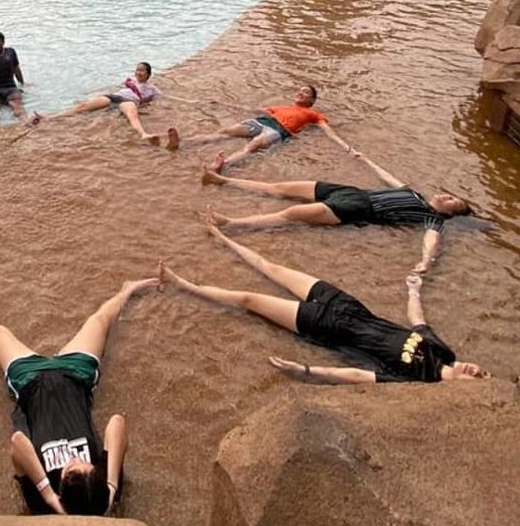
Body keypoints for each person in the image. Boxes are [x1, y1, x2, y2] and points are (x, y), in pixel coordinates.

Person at [159, 226, 489, 384]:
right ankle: (220, 235)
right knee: (272, 268)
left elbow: (355, 376)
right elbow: (419, 321)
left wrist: (304, 371)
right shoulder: (444, 353)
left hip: (326, 326)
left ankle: (183, 284)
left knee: (249, 300)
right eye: (482, 370)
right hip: (348, 304)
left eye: (477, 378)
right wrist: (413, 291)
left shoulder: (417, 381)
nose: (475, 369)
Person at [0, 278, 158, 514]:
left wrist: (48, 495)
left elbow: (17, 442)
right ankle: (128, 289)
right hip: (75, 377)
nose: (77, 461)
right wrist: (112, 487)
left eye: (72, 469)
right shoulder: (97, 489)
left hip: (30, 382)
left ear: (61, 488)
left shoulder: (42, 498)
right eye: (88, 466)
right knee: (100, 320)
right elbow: (117, 423)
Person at [202, 150, 472, 273]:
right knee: (281, 188)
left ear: (450, 213)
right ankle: (224, 180)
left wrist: (425, 263)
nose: (447, 196)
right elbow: (388, 178)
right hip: (352, 191)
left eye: (453, 202)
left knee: (292, 214)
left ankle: (233, 223)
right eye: (450, 194)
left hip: (358, 208)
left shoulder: (432, 219)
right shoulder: (414, 194)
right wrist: (367, 160)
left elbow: (431, 241)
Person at [182, 85, 349, 169]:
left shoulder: (314, 114)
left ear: (312, 101)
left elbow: (328, 131)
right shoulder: (281, 107)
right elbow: (255, 110)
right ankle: (185, 142)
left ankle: (222, 164)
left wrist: (345, 146)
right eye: (299, 90)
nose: (300, 93)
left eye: (305, 92)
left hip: (278, 130)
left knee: (252, 146)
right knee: (225, 132)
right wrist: (224, 104)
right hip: (263, 121)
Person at [34, 62, 179, 150]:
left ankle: (143, 134)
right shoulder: (129, 82)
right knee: (83, 106)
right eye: (137, 69)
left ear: (148, 74)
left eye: (142, 70)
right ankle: (50, 118)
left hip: (128, 101)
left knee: (132, 115)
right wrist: (91, 92)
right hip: (113, 96)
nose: (139, 72)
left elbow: (164, 98)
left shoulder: (151, 88)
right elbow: (113, 88)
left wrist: (186, 102)